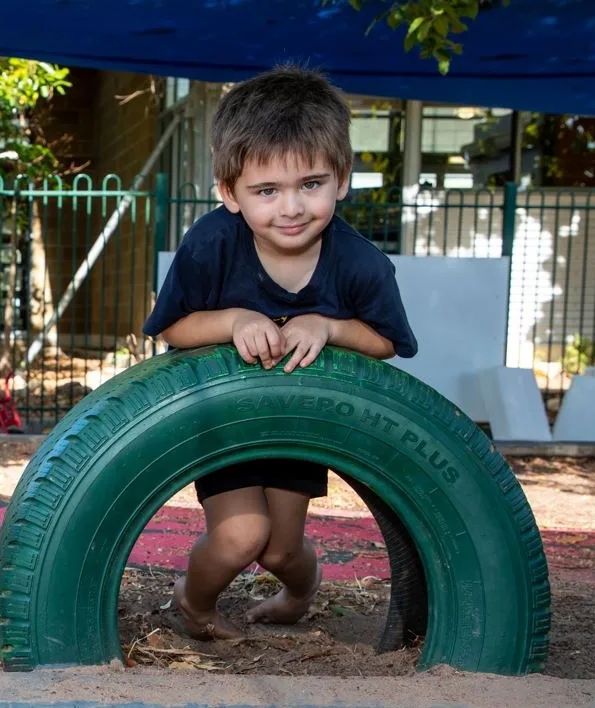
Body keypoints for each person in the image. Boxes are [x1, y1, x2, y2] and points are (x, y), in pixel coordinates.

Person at [141, 65, 418, 640]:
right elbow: (174, 329)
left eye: (310, 184)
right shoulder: (212, 244)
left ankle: (299, 593)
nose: (291, 207)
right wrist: (235, 319)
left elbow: (388, 343)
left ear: (342, 179)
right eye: (267, 191)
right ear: (230, 194)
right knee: (242, 535)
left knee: (281, 551)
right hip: (222, 418)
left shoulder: (361, 264)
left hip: (298, 424)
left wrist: (330, 326)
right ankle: (192, 603)